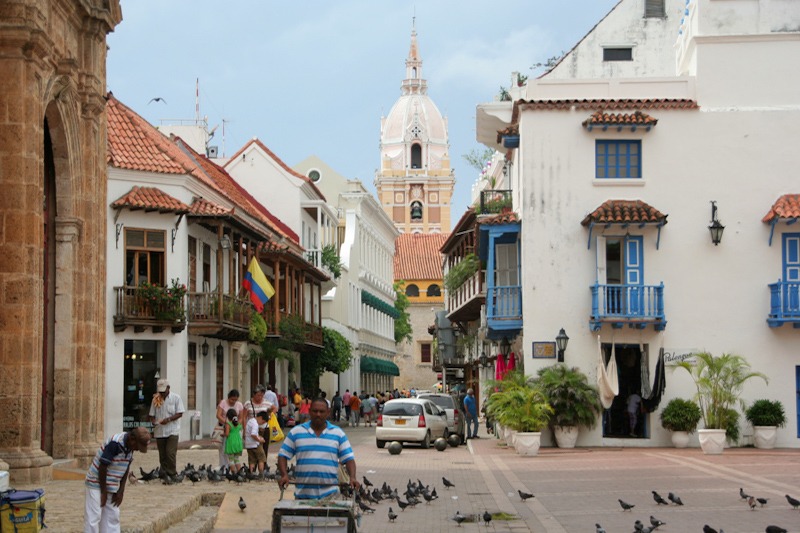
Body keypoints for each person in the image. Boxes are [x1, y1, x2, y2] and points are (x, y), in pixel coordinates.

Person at [277, 398, 360, 500]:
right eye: (315, 411)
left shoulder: (338, 433)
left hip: (331, 496)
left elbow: (349, 459)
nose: (318, 414)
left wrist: (352, 477)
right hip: (303, 495)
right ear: (309, 411)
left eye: (322, 411)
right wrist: (284, 475)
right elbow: (283, 455)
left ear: (328, 413)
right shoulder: (296, 432)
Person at [84, 427, 150, 532]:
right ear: (132, 439)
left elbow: (126, 466)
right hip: (96, 482)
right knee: (94, 515)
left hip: (111, 483)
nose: (137, 449)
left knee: (112, 515)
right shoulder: (115, 444)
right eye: (137, 446)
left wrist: (121, 490)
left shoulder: (130, 446)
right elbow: (103, 466)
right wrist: (104, 492)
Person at [148, 378, 184, 480]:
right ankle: (164, 473)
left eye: (164, 391)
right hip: (160, 431)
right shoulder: (155, 399)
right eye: (161, 392)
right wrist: (154, 421)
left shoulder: (176, 398)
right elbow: (151, 414)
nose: (162, 394)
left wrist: (168, 419)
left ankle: (172, 473)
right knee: (162, 454)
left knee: (170, 453)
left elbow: (180, 413)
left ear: (168, 388)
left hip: (172, 430)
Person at [244, 384, 274, 463]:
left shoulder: (267, 403)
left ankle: (263, 467)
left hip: (264, 429)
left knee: (264, 449)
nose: (260, 397)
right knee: (253, 449)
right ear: (254, 394)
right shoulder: (248, 403)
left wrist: (269, 414)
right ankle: (252, 468)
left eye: (262, 395)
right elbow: (244, 417)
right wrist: (244, 430)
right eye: (258, 395)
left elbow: (274, 408)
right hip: (253, 430)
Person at [216, 389, 243, 468]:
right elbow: (218, 415)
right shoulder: (223, 403)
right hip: (224, 426)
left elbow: (241, 418)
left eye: (235, 400)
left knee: (232, 451)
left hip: (235, 429)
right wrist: (227, 422)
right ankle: (223, 466)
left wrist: (235, 424)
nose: (233, 401)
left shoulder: (239, 405)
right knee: (223, 448)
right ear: (229, 397)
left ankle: (231, 468)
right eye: (232, 399)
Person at [245, 410, 269, 475]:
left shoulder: (250, 421)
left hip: (248, 444)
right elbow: (253, 434)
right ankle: (261, 473)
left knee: (252, 459)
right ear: (260, 418)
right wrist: (259, 440)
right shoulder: (255, 424)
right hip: (255, 445)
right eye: (262, 422)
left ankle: (251, 473)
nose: (261, 424)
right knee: (261, 457)